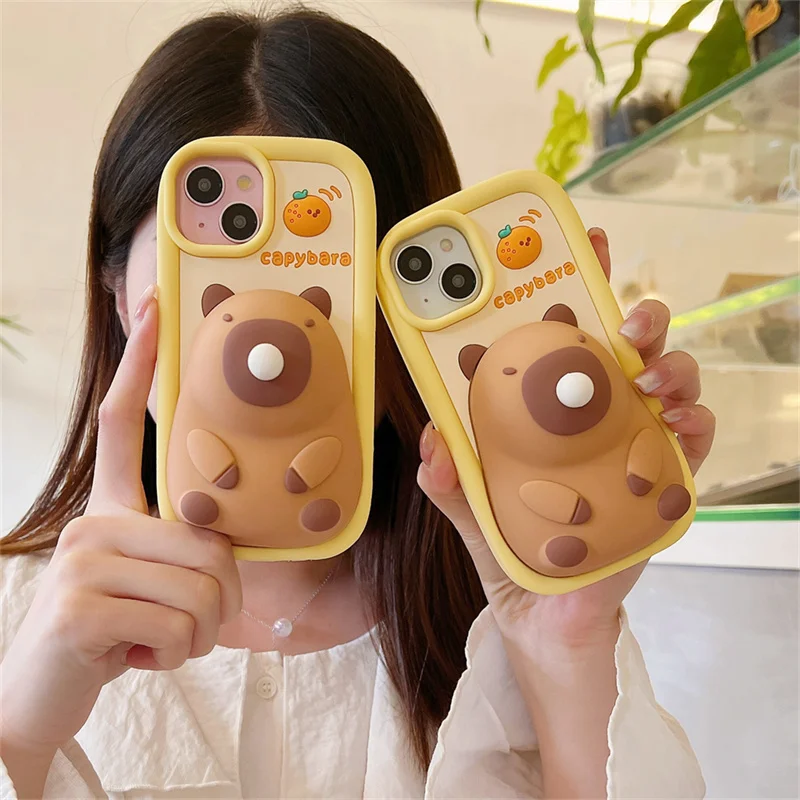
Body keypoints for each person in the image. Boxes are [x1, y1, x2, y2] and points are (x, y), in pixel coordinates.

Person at [0, 8, 715, 799]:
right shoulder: (20, 616)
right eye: (215, 287)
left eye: (328, 284)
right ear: (119, 296)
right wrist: (19, 732)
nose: (271, 346)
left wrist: (567, 641)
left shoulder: (498, 616)